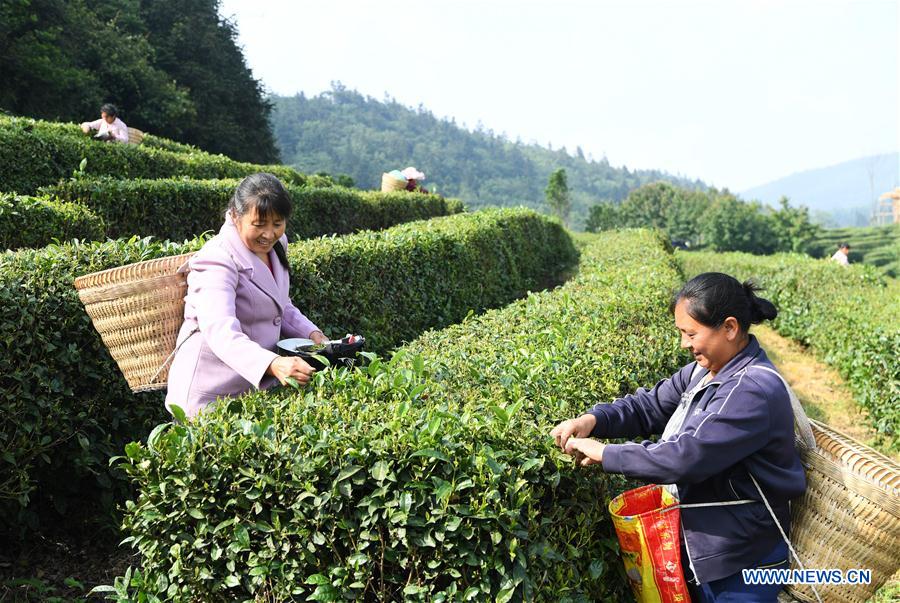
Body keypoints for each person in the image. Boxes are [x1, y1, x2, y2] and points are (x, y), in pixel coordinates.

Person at [550, 273, 807, 602]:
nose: (685, 344)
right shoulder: (706, 370)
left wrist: (606, 454)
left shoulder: (751, 389)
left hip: (742, 558)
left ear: (729, 328)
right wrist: (593, 420)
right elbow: (650, 405)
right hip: (710, 546)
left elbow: (684, 458)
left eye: (691, 333)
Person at [166, 173, 328, 418]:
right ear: (235, 215)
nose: (269, 234)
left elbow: (280, 303)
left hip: (251, 388)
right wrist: (272, 364)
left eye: (277, 223)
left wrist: (312, 335)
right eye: (259, 224)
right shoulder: (217, 259)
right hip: (209, 392)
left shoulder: (277, 245)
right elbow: (220, 331)